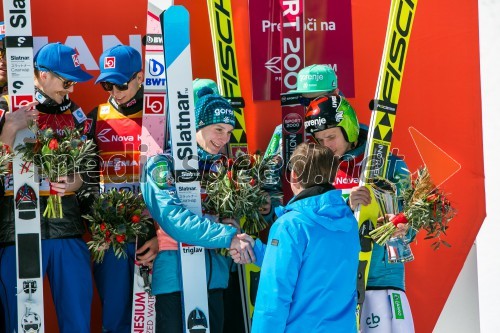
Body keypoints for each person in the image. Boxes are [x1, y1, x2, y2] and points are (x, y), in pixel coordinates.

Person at [0, 42, 95, 332]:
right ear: (42, 75)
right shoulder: (6, 107)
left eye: (75, 82)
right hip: (17, 235)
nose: (71, 90)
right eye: (66, 81)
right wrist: (8, 130)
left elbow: (88, 173)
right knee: (21, 324)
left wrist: (74, 183)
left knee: (78, 323)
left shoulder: (77, 115)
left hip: (66, 230)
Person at [141, 86, 252, 333]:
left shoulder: (223, 168)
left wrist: (234, 227)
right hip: (174, 279)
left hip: (214, 278)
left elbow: (233, 216)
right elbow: (174, 220)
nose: (225, 138)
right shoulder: (162, 163)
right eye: (218, 129)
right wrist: (227, 236)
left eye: (229, 132)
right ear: (196, 125)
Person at [303, 95, 415, 332]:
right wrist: (347, 205)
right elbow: (311, 222)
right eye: (320, 140)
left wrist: (402, 225)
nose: (327, 146)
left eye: (331, 136)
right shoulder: (320, 171)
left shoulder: (391, 164)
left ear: (349, 129)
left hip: (381, 279)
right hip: (336, 281)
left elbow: (412, 217)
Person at [234, 142, 359, 332]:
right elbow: (316, 268)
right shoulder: (348, 221)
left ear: (294, 175)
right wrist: (260, 252)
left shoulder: (290, 225)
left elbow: (274, 296)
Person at [88, 44, 158, 333]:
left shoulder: (157, 117)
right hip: (111, 235)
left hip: (150, 235)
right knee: (115, 320)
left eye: (120, 83)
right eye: (107, 83)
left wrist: (157, 234)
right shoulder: (95, 116)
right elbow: (86, 181)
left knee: (152, 321)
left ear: (140, 77)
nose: (114, 90)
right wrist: (95, 227)